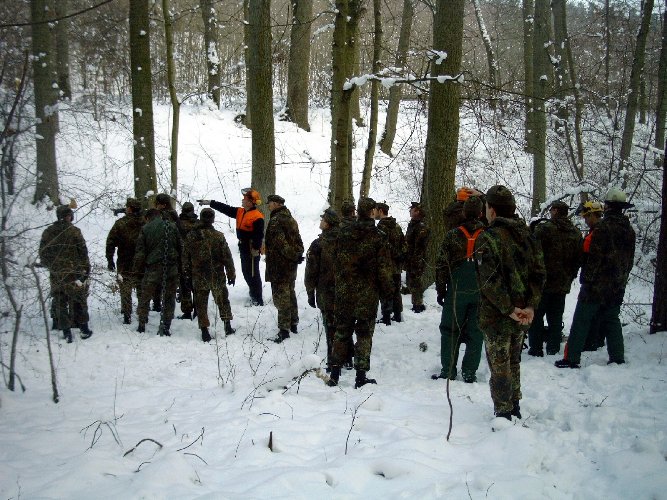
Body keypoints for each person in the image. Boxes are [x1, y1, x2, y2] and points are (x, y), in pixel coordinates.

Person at [474, 186, 545, 420]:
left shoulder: (488, 238)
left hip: (499, 316)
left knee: (500, 366)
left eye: (486, 207)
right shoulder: (529, 236)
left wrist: (510, 309)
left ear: (492, 210)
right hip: (522, 314)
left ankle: (504, 412)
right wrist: (530, 306)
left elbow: (489, 282)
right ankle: (514, 405)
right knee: (513, 361)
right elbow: (539, 274)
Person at [555, 189, 635, 368]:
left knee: (581, 321)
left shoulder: (601, 229)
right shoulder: (630, 231)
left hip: (595, 286)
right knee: (612, 320)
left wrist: (586, 280)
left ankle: (571, 358)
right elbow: (629, 261)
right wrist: (621, 279)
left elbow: (594, 259)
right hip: (617, 285)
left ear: (607, 207)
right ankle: (617, 357)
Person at [327, 197, 394, 388]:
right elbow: (383, 268)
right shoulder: (379, 236)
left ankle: (334, 374)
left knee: (341, 331)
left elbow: (334, 259)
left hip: (345, 291)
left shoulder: (343, 233)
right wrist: (387, 292)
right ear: (372, 211)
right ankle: (360, 376)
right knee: (364, 334)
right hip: (367, 293)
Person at [433, 196, 485, 383]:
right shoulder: (488, 236)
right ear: (481, 213)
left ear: (463, 212)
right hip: (481, 291)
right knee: (476, 332)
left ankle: (448, 370)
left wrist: (441, 290)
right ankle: (469, 372)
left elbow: (441, 265)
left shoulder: (452, 235)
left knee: (449, 330)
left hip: (456, 292)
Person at [527, 201, 582, 356]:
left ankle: (536, 349)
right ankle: (553, 347)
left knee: (537, 316)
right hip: (562, 283)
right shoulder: (576, 232)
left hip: (542, 282)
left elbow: (531, 250)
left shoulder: (544, 229)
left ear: (556, 211)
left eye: (552, 210)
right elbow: (579, 259)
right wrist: (570, 275)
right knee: (556, 317)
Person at [198, 189, 264, 306]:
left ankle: (257, 299)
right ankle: (253, 293)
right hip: (243, 246)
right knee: (246, 272)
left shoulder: (257, 216)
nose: (242, 200)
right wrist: (211, 203)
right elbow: (225, 208)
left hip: (251, 248)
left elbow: (259, 235)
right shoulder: (240, 211)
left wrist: (256, 248)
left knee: (253, 274)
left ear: (250, 202)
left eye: (245, 199)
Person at [39, 205, 93, 343]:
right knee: (79, 300)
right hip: (74, 273)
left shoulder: (48, 232)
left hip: (56, 274)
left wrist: (53, 267)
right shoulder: (74, 231)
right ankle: (84, 329)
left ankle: (66, 332)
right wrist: (86, 270)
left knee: (60, 301)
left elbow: (43, 254)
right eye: (69, 215)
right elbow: (83, 252)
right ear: (69, 216)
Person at [305, 208, 350, 370]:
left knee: (330, 327)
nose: (321, 221)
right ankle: (348, 359)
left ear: (328, 223)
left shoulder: (318, 244)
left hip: (327, 292)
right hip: (346, 291)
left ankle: (333, 362)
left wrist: (310, 291)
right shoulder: (347, 240)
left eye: (323, 219)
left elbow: (311, 271)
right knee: (344, 325)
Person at [184, 208, 236, 342]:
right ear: (213, 219)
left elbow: (185, 258)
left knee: (201, 303)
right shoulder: (218, 236)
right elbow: (227, 257)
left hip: (199, 275)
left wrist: (187, 275)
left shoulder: (191, 236)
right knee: (223, 300)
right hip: (217, 274)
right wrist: (231, 274)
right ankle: (227, 326)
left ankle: (204, 331)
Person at [133, 208, 183, 336]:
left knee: (145, 296)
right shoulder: (172, 227)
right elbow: (181, 247)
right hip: (171, 267)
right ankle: (166, 326)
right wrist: (181, 268)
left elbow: (140, 254)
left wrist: (136, 271)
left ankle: (142, 324)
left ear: (148, 218)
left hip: (153, 268)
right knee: (169, 298)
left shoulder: (145, 229)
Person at [264, 194, 304, 343]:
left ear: (276, 204)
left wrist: (293, 256)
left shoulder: (276, 221)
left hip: (279, 266)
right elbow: (298, 241)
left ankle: (284, 330)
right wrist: (297, 255)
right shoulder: (290, 219)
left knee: (282, 298)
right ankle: (293, 323)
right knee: (290, 293)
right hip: (290, 266)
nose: (268, 205)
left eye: (270, 203)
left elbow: (281, 244)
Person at [106, 197, 145, 324]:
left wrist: (110, 259)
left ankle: (127, 314)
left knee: (125, 288)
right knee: (141, 287)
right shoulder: (145, 222)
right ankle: (143, 314)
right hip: (142, 261)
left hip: (124, 260)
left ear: (129, 208)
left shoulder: (120, 224)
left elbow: (110, 242)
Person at [374, 202, 406, 324]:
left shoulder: (381, 227)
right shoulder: (396, 226)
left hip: (385, 265)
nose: (374, 212)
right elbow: (404, 244)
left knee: (385, 290)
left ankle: (386, 317)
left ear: (380, 211)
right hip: (396, 266)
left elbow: (382, 247)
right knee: (396, 290)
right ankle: (397, 315)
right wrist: (400, 256)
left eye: (375, 210)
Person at [404, 201, 430, 312]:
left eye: (412, 209)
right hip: (410, 258)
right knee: (412, 282)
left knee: (416, 282)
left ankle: (418, 305)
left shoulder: (421, 226)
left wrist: (416, 260)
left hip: (417, 259)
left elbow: (420, 246)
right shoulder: (412, 224)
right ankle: (416, 303)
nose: (410, 211)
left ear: (417, 212)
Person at [177, 202, 197, 319]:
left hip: (182, 259)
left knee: (184, 285)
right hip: (196, 259)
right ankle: (198, 310)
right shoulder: (198, 224)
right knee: (197, 285)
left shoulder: (178, 224)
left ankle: (187, 311)